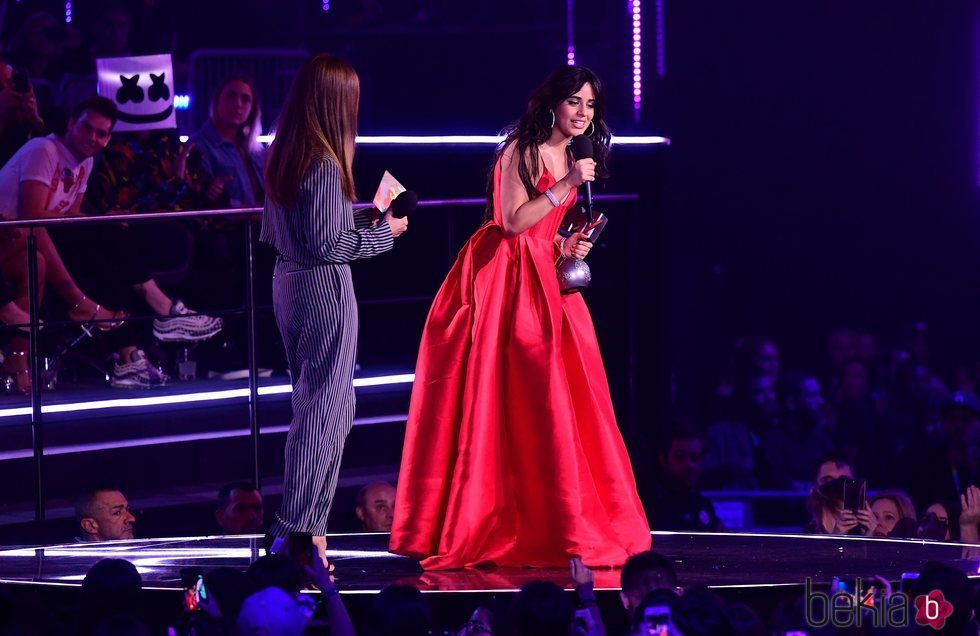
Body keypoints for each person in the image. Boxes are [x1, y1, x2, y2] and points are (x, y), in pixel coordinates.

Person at [390, 65, 650, 569]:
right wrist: (568, 183)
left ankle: (551, 518)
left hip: (544, 273)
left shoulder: (574, 153)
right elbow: (511, 223)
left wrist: (565, 242)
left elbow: (542, 227)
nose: (583, 114)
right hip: (503, 278)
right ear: (552, 103)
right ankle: (489, 522)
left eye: (591, 105)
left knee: (561, 400)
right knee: (504, 396)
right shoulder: (520, 150)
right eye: (575, 102)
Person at [260, 54, 407, 551]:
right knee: (325, 408)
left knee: (322, 405)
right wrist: (384, 233)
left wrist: (364, 220)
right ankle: (301, 529)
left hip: (290, 280)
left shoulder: (286, 152)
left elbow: (311, 233)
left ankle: (307, 527)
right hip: (322, 286)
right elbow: (330, 246)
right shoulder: (321, 162)